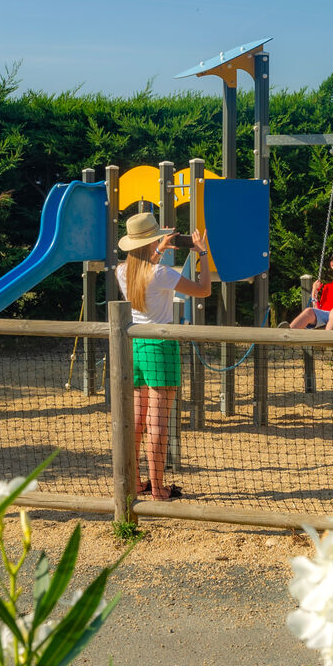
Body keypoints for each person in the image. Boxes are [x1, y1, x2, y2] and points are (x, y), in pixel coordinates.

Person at [116, 212, 213, 500]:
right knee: (158, 424)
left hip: (135, 344)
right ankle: (158, 487)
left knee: (136, 420)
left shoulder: (123, 271)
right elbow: (204, 290)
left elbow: (145, 265)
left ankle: (134, 483)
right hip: (160, 345)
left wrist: (157, 250)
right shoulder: (161, 274)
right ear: (152, 241)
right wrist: (202, 253)